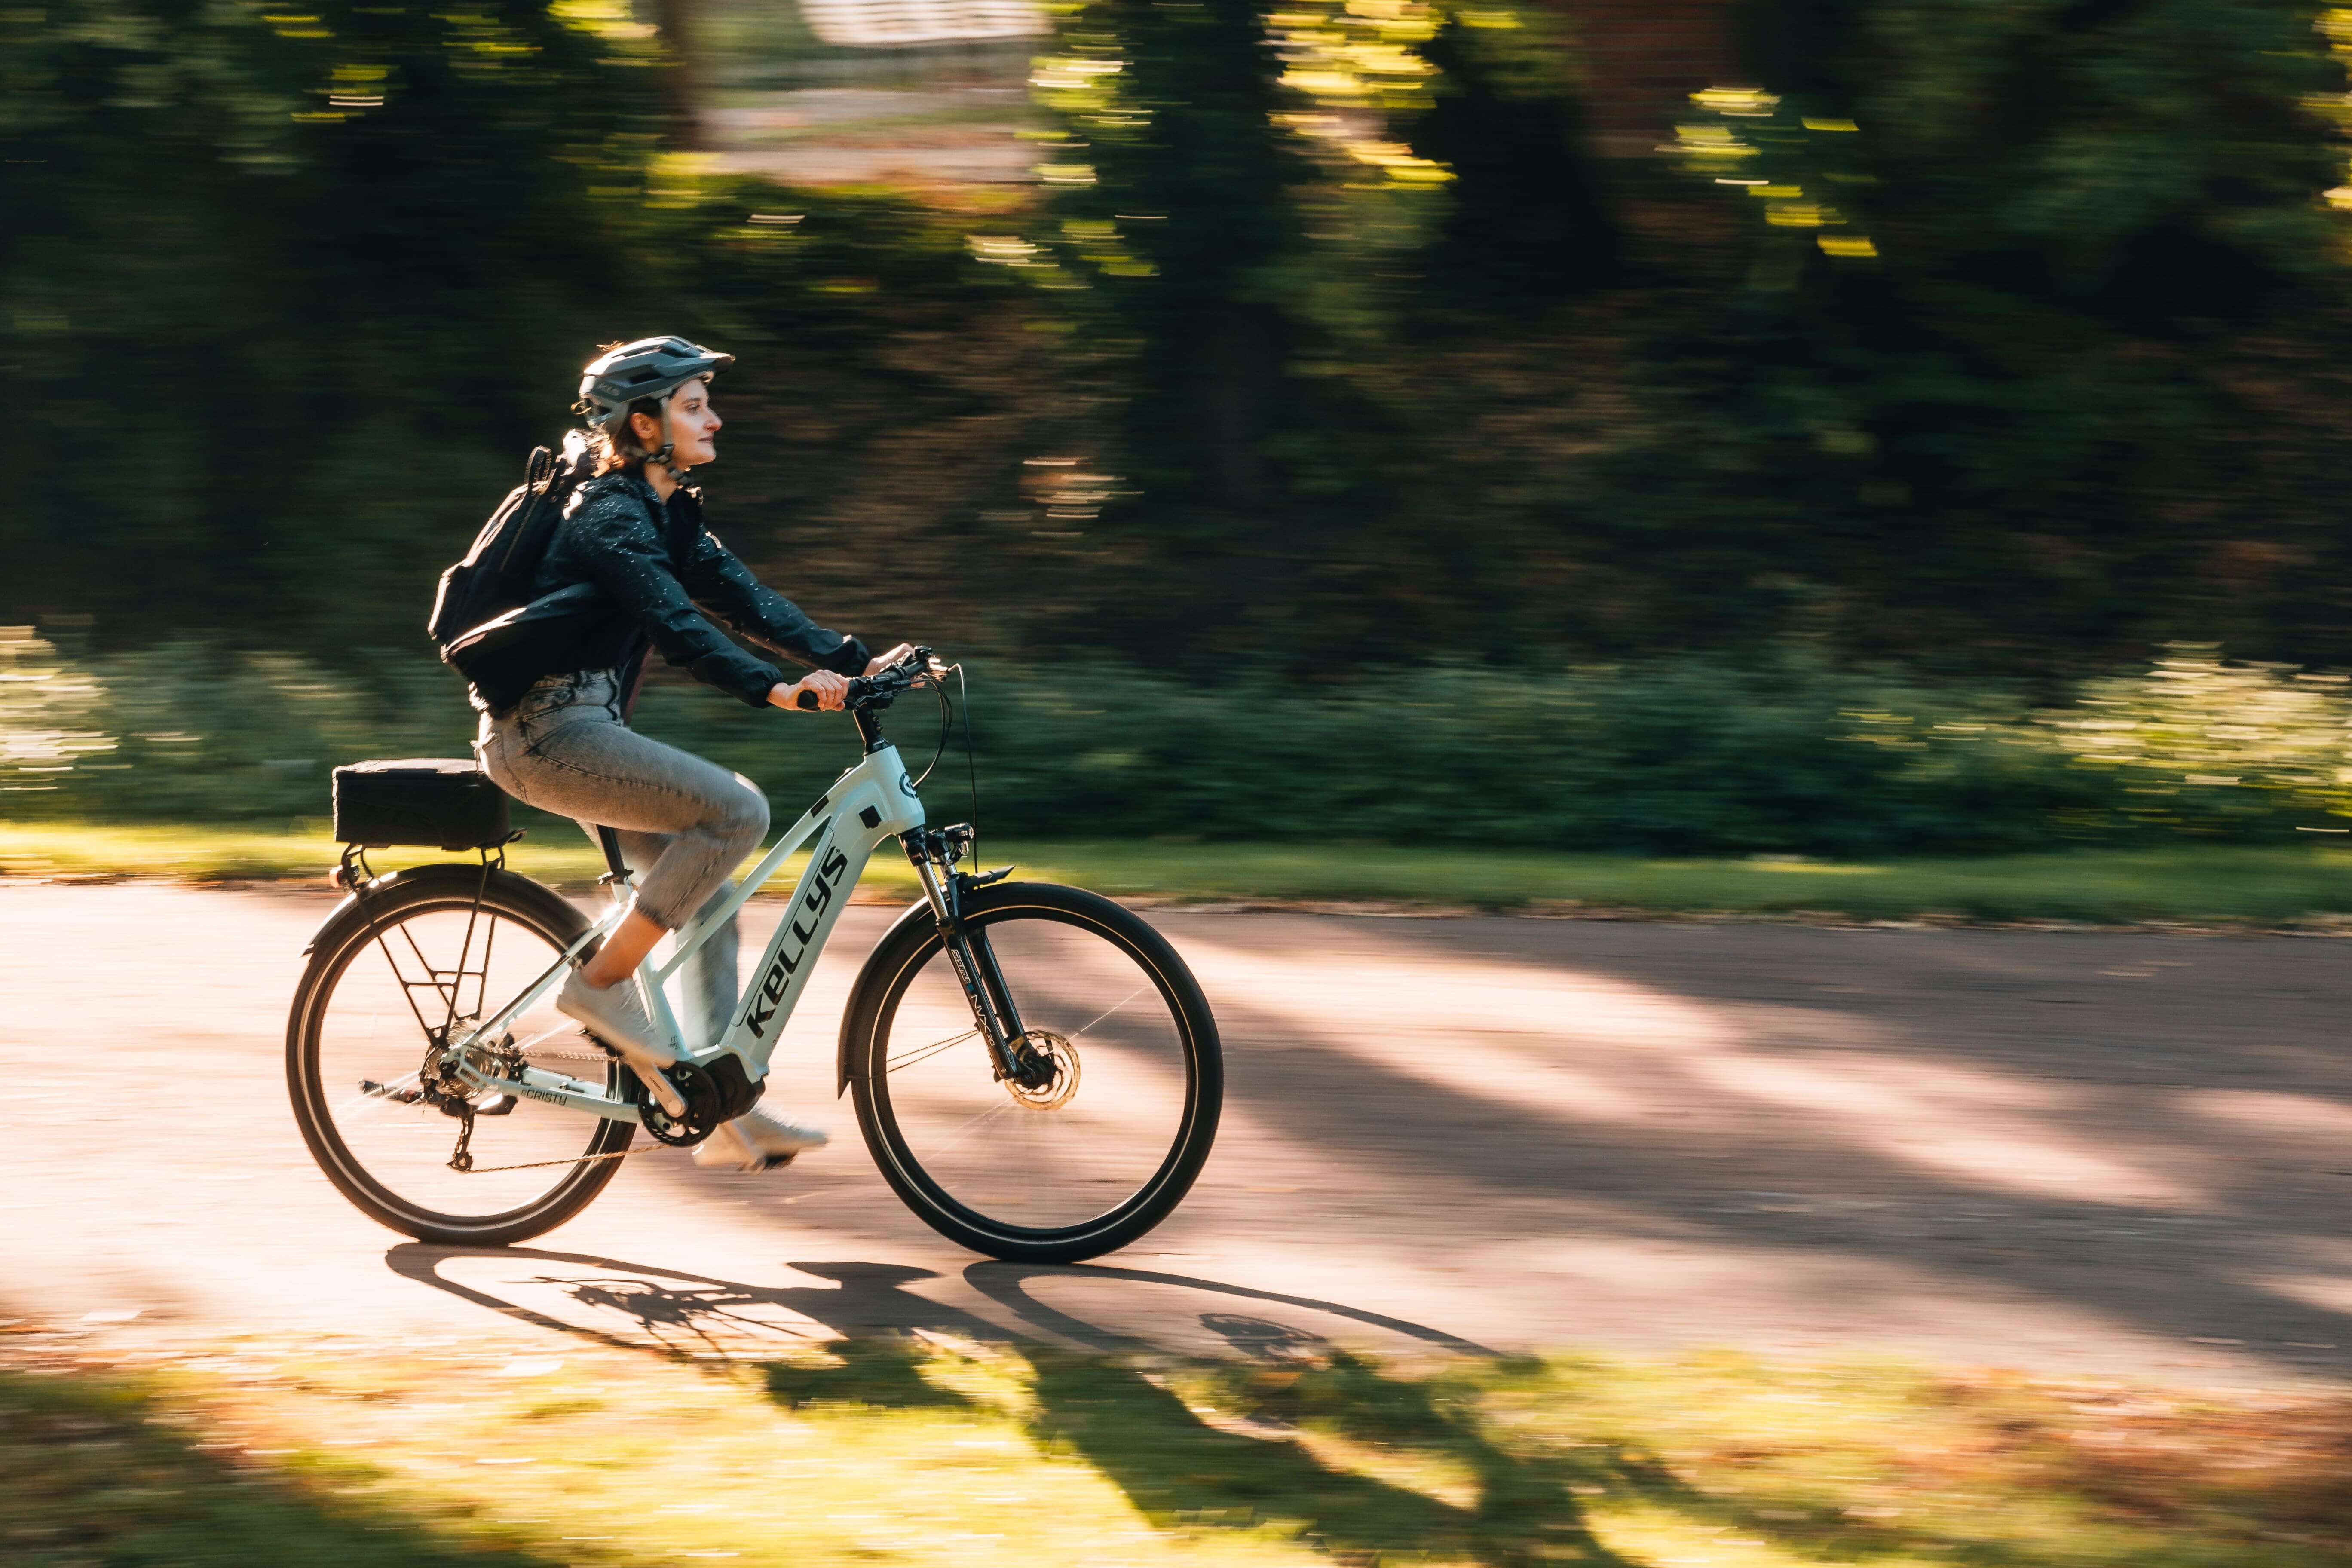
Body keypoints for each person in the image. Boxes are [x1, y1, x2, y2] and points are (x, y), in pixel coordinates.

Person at [472, 336, 913, 1172]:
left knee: (706, 895)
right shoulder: (607, 514)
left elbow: (749, 603)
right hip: (546, 733)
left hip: (589, 729)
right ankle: (599, 987)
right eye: (694, 403)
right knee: (737, 811)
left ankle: (723, 1100)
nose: (714, 416)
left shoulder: (666, 511)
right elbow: (677, 624)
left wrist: (858, 662)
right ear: (644, 422)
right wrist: (774, 691)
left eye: (707, 399)